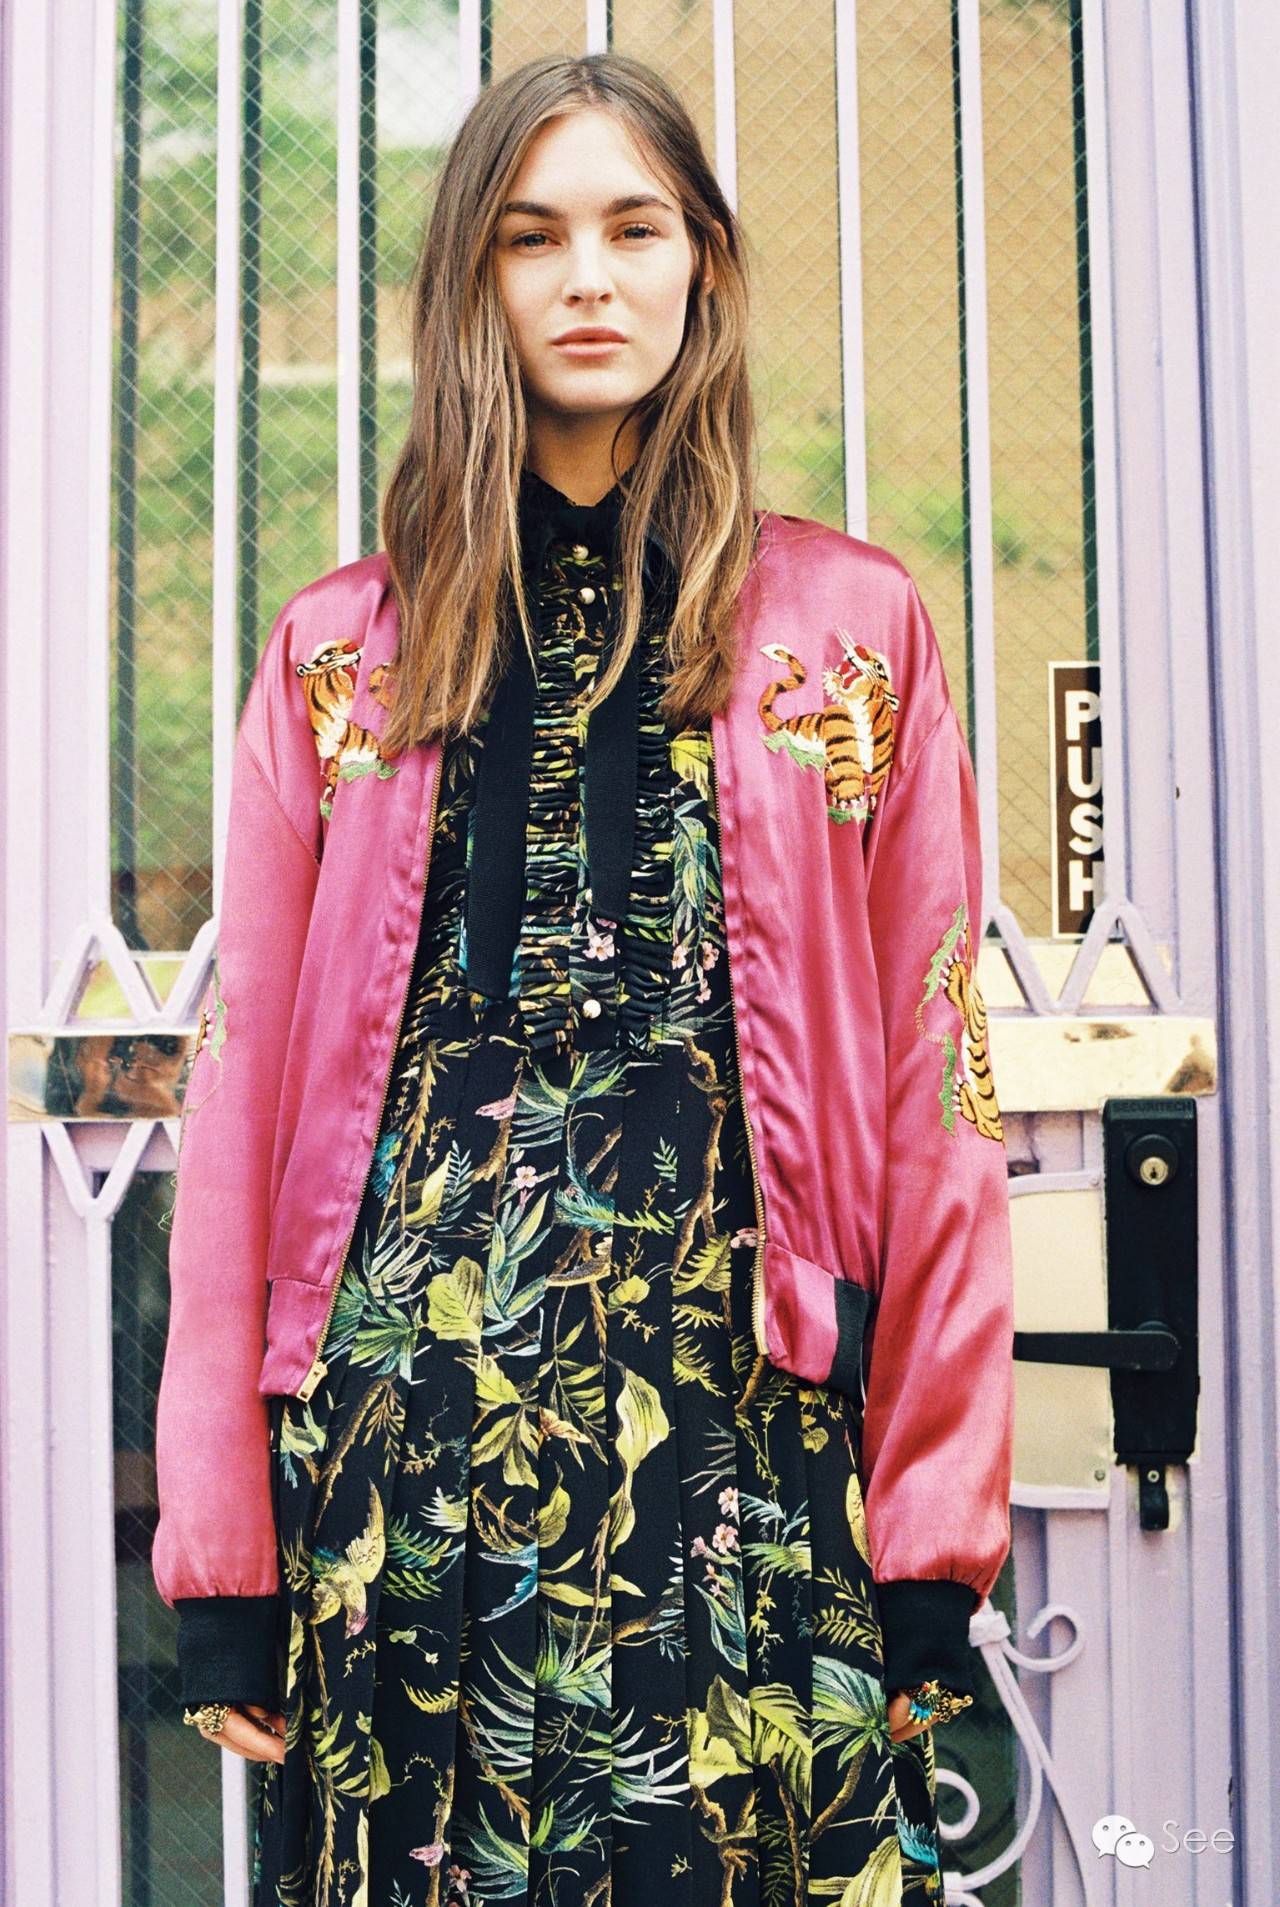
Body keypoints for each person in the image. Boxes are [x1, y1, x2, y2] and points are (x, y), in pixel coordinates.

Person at [153, 49, 1014, 1907]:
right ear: (475, 279)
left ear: (703, 259)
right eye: (533, 238)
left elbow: (935, 1081)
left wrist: (931, 1535)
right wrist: (227, 1563)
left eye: (634, 229)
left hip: (742, 1457)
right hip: (410, 1457)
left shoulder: (847, 634)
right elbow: (241, 1106)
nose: (589, 280)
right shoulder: (343, 656)